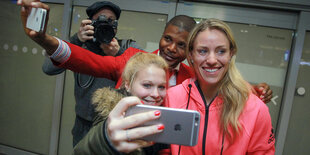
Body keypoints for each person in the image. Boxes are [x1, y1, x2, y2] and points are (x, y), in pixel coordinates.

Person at [17, 0, 273, 103]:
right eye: (167, 38)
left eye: (181, 44)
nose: (171, 48)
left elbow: (221, 81)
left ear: (191, 50)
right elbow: (87, 61)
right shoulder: (134, 60)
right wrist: (45, 39)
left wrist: (256, 91)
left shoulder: (193, 76)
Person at [164, 18, 275, 154]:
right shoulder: (172, 98)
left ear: (231, 54)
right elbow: (163, 149)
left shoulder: (255, 109)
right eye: (203, 51)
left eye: (221, 51)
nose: (211, 60)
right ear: (191, 55)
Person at [41, 1, 140, 146]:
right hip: (83, 125)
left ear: (116, 27)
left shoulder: (127, 47)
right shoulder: (79, 49)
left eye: (110, 21)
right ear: (90, 24)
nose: (105, 23)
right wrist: (76, 41)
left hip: (114, 123)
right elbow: (48, 68)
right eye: (100, 19)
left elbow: (143, 74)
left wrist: (119, 54)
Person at [73, 52, 170, 154]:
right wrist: (107, 141)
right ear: (127, 85)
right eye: (147, 85)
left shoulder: (164, 120)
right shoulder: (109, 116)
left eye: (161, 87)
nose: (156, 94)